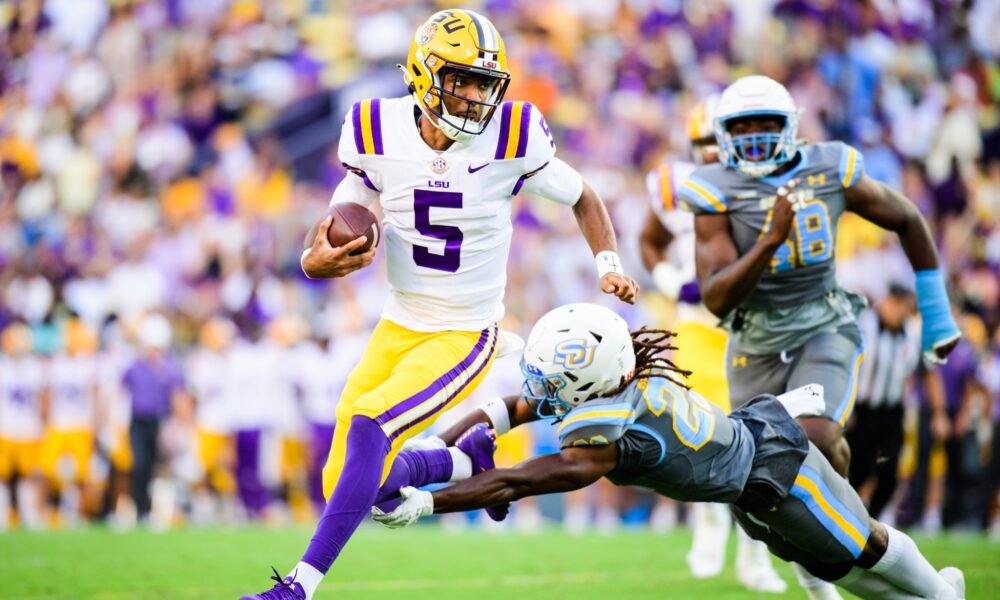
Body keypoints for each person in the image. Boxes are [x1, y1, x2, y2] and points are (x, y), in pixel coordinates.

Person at [242, 8, 638, 599]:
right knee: (345, 485)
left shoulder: (513, 134)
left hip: (465, 331)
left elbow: (583, 196)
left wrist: (608, 264)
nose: (478, 96)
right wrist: (311, 260)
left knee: (371, 425)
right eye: (463, 80)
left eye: (486, 82)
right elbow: (337, 219)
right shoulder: (374, 128)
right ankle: (463, 457)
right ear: (425, 76)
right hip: (397, 322)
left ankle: (298, 587)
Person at [374, 303, 967, 600]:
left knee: (865, 543)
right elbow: (513, 405)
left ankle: (943, 595)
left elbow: (514, 482)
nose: (539, 390)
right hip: (745, 485)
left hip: (777, 471)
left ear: (588, 381)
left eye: (550, 380)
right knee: (834, 562)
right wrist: (439, 442)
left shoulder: (600, 437)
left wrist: (426, 503)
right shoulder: (613, 377)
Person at [681, 75, 961, 598]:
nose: (757, 135)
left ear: (793, 127)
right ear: (723, 133)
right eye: (744, 126)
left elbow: (907, 217)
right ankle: (840, 575)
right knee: (755, 484)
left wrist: (937, 315)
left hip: (822, 324)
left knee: (814, 437)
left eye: (768, 124)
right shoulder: (713, 187)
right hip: (754, 341)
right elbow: (717, 297)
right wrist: (770, 239)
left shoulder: (830, 166)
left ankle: (874, 553)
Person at [640, 96, 785, 592]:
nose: (709, 153)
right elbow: (650, 238)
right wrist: (666, 276)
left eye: (714, 143)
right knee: (704, 433)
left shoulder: (765, 185)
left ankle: (754, 554)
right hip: (698, 330)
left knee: (758, 443)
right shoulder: (676, 186)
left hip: (749, 330)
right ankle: (708, 530)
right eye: (700, 143)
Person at [847, 285, 921, 523]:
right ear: (889, 302)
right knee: (857, 468)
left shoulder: (911, 332)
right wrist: (846, 406)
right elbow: (847, 365)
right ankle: (850, 518)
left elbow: (921, 371)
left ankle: (872, 518)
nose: (903, 313)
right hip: (862, 409)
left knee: (889, 469)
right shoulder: (864, 325)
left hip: (892, 411)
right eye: (900, 306)